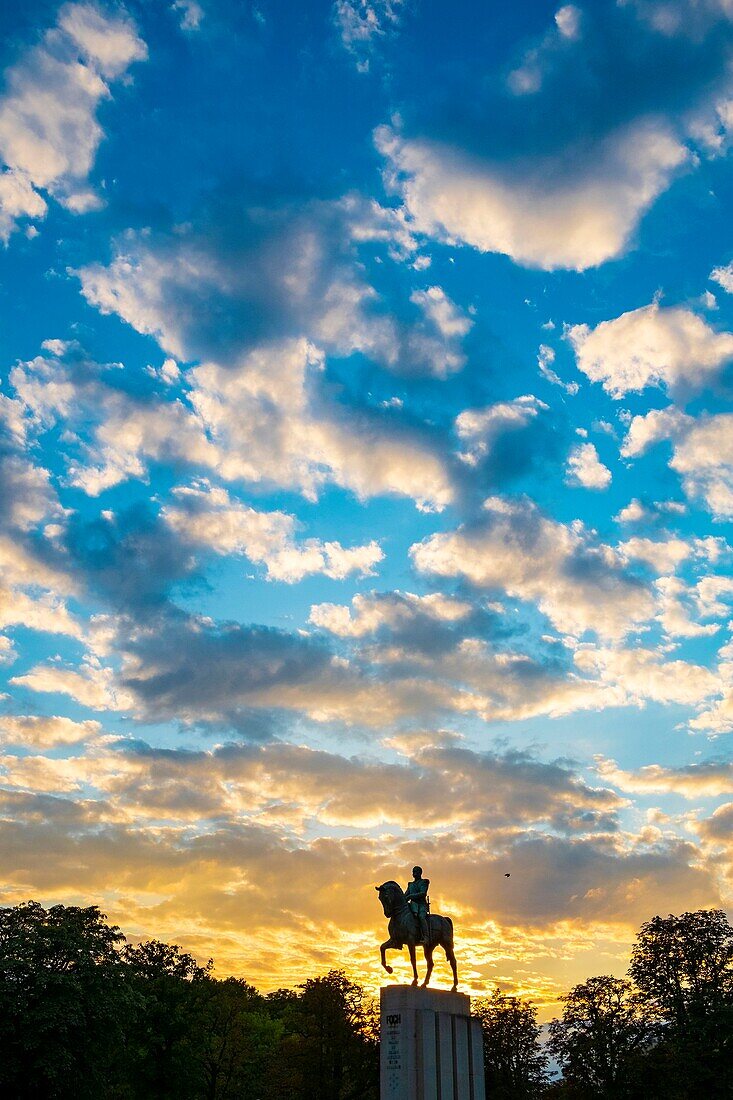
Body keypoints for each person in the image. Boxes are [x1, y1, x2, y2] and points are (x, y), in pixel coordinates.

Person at [405, 865, 430, 944]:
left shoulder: (424, 882)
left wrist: (411, 896)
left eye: (416, 871)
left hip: (421, 905)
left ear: (420, 873)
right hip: (412, 905)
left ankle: (426, 937)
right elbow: (405, 895)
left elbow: (423, 893)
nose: (414, 873)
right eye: (413, 872)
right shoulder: (410, 884)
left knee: (421, 917)